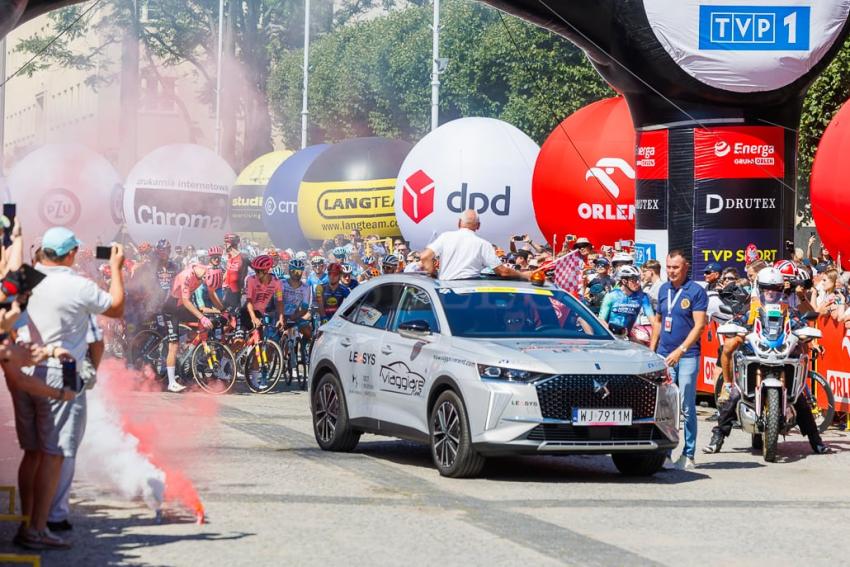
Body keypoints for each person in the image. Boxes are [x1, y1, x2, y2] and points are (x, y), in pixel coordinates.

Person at [8, 228, 125, 550]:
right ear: (71, 254)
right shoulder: (77, 285)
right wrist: (116, 268)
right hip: (60, 375)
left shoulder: (25, 277)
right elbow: (115, 307)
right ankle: (37, 529)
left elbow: (7, 301)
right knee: (54, 454)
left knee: (32, 453)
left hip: (23, 370)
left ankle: (28, 522)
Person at [704, 267, 832, 455]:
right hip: (755, 355)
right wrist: (735, 327)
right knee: (734, 396)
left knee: (799, 398)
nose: (771, 292)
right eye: (766, 288)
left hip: (782, 356)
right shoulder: (752, 307)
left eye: (775, 288)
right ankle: (717, 438)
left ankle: (817, 442)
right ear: (760, 288)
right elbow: (738, 320)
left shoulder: (787, 310)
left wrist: (807, 334)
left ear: (781, 289)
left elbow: (801, 323)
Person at [649, 250, 708, 470]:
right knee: (666, 406)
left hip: (687, 355)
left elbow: (700, 326)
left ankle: (688, 453)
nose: (671, 272)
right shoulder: (663, 289)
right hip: (665, 354)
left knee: (685, 405)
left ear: (686, 267)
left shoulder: (696, 291)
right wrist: (652, 350)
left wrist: (681, 350)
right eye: (669, 267)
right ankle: (665, 452)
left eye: (675, 267)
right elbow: (658, 321)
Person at [164, 262, 223, 392]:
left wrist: (222, 309)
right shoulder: (187, 276)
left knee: (201, 327)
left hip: (182, 305)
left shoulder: (207, 272)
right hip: (172, 307)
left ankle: (186, 356)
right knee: (173, 344)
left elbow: (212, 293)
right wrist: (202, 317)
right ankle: (171, 382)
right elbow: (186, 301)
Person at [419, 210, 527, 281]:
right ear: (478, 226)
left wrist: (433, 274)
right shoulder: (483, 244)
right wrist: (524, 275)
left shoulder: (445, 237)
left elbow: (425, 256)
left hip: (445, 293)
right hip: (471, 296)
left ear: (459, 223)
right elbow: (503, 272)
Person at [598, 266, 658, 338]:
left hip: (629, 337)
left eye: (639, 279)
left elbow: (653, 320)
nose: (638, 283)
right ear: (624, 281)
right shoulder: (611, 295)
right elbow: (601, 320)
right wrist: (615, 332)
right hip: (611, 336)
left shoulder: (643, 297)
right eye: (634, 280)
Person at [244, 255, 284, 331]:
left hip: (270, 311)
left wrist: (281, 319)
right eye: (255, 270)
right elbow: (249, 301)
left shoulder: (277, 283)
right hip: (251, 311)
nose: (256, 273)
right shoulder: (251, 281)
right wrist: (254, 318)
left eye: (258, 271)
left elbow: (280, 301)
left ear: (266, 270)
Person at [281, 258, 313, 340]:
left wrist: (292, 318)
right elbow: (276, 302)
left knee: (309, 333)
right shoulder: (281, 284)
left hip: (295, 316)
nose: (296, 274)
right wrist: (282, 318)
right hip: (280, 315)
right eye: (294, 271)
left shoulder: (306, 287)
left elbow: (305, 308)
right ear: (289, 271)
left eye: (299, 272)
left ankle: (303, 349)